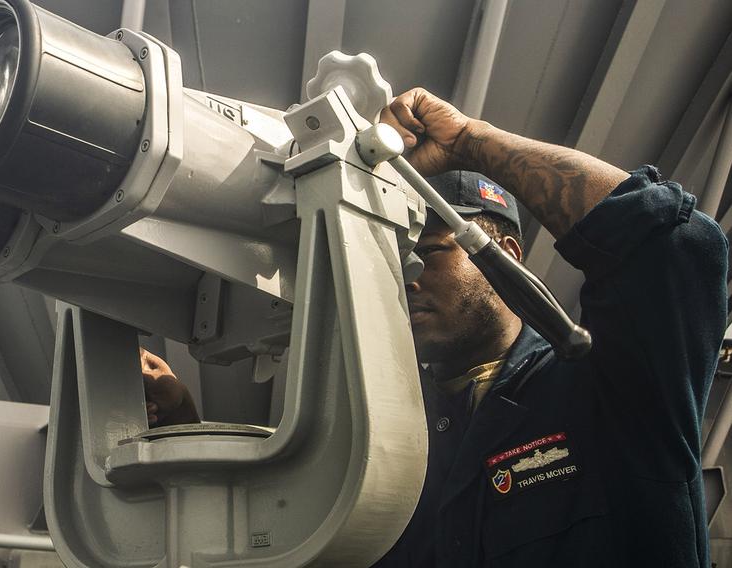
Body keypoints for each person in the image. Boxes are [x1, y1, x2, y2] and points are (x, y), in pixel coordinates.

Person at [143, 87, 729, 567]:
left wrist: (471, 144)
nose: (406, 279)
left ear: (504, 249)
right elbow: (277, 537)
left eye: (430, 250)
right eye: (395, 261)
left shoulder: (615, 387)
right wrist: (180, 419)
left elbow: (674, 247)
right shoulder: (378, 435)